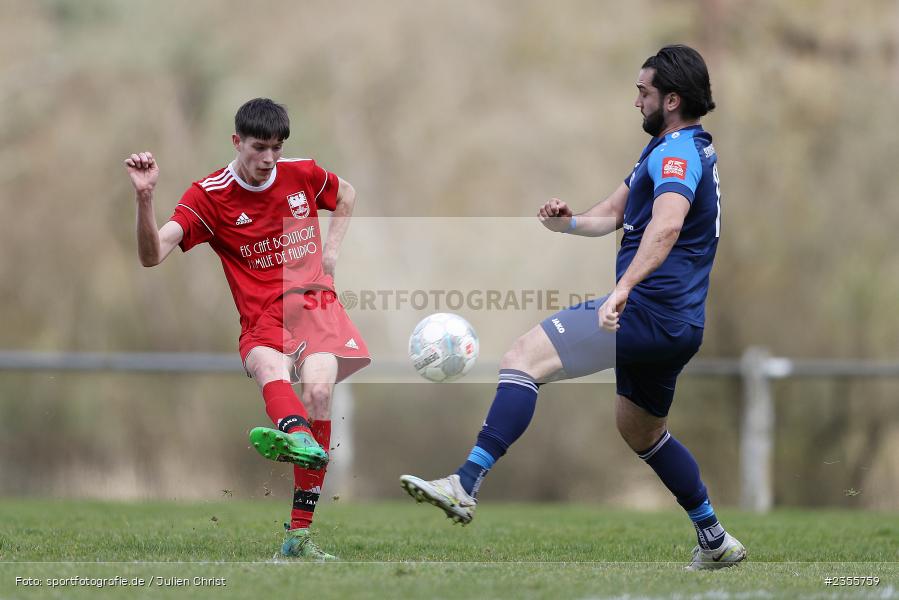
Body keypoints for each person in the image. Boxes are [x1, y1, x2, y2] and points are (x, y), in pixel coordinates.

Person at [401, 45, 745, 570]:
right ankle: (715, 538)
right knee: (642, 432)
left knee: (522, 358)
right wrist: (568, 222)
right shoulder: (677, 147)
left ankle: (464, 483)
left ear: (671, 99)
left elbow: (668, 223)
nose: (636, 101)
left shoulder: (675, 154)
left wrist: (623, 288)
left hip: (648, 310)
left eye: (644, 91)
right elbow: (611, 211)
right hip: (678, 321)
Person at [124, 98, 369, 560]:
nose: (269, 159)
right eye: (259, 147)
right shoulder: (209, 196)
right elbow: (151, 254)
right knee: (265, 364)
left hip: (315, 308)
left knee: (319, 392)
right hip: (261, 320)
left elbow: (348, 194)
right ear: (236, 141)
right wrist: (144, 197)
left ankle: (298, 534)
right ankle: (298, 436)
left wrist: (332, 250)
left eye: (277, 148)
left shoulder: (303, 173)